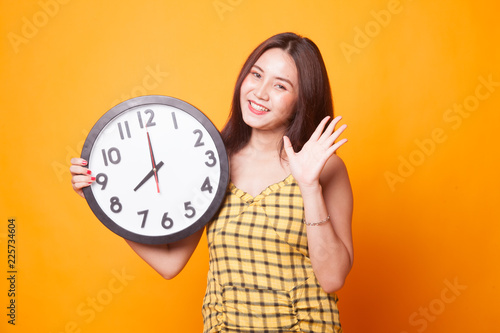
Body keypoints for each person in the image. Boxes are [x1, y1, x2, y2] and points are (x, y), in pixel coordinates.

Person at [70, 32, 353, 333]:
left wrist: (309, 186)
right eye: (256, 74)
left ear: (302, 100)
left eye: (280, 85)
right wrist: (103, 200)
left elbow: (333, 278)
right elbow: (170, 264)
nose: (260, 92)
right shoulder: (210, 161)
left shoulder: (326, 168)